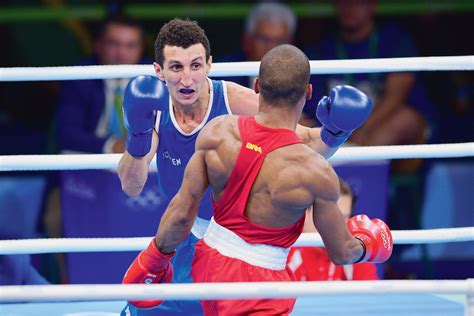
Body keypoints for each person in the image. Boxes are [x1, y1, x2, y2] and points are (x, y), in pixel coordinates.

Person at [118, 18, 373, 315]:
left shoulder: (234, 101)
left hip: (227, 242)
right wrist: (137, 135)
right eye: (176, 68)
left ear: (209, 65)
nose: (187, 79)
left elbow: (301, 142)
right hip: (180, 235)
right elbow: (132, 185)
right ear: (159, 71)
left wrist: (334, 132)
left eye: (196, 66)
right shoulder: (153, 109)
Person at [301, 0, 432, 155]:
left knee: (405, 120)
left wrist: (358, 133)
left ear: (372, 5)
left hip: (377, 129)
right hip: (332, 133)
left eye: (358, 3)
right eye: (344, 2)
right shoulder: (321, 46)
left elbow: (395, 98)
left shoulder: (395, 41)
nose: (350, 8)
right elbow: (313, 106)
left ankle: (356, 164)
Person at [57, 14, 148, 154]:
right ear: (98, 45)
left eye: (130, 46)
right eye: (113, 43)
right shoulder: (79, 76)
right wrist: (112, 146)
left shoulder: (153, 77)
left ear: (141, 49)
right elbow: (66, 135)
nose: (122, 53)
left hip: (141, 161)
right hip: (91, 159)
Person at [288, 178, 379, 281]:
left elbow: (371, 296)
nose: (338, 224)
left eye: (344, 217)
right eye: (331, 216)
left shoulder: (355, 255)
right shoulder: (281, 253)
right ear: (304, 212)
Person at [213, 1, 296, 87]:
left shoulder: (303, 77)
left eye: (280, 41)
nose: (272, 48)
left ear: (291, 43)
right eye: (264, 39)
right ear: (247, 41)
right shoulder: (224, 75)